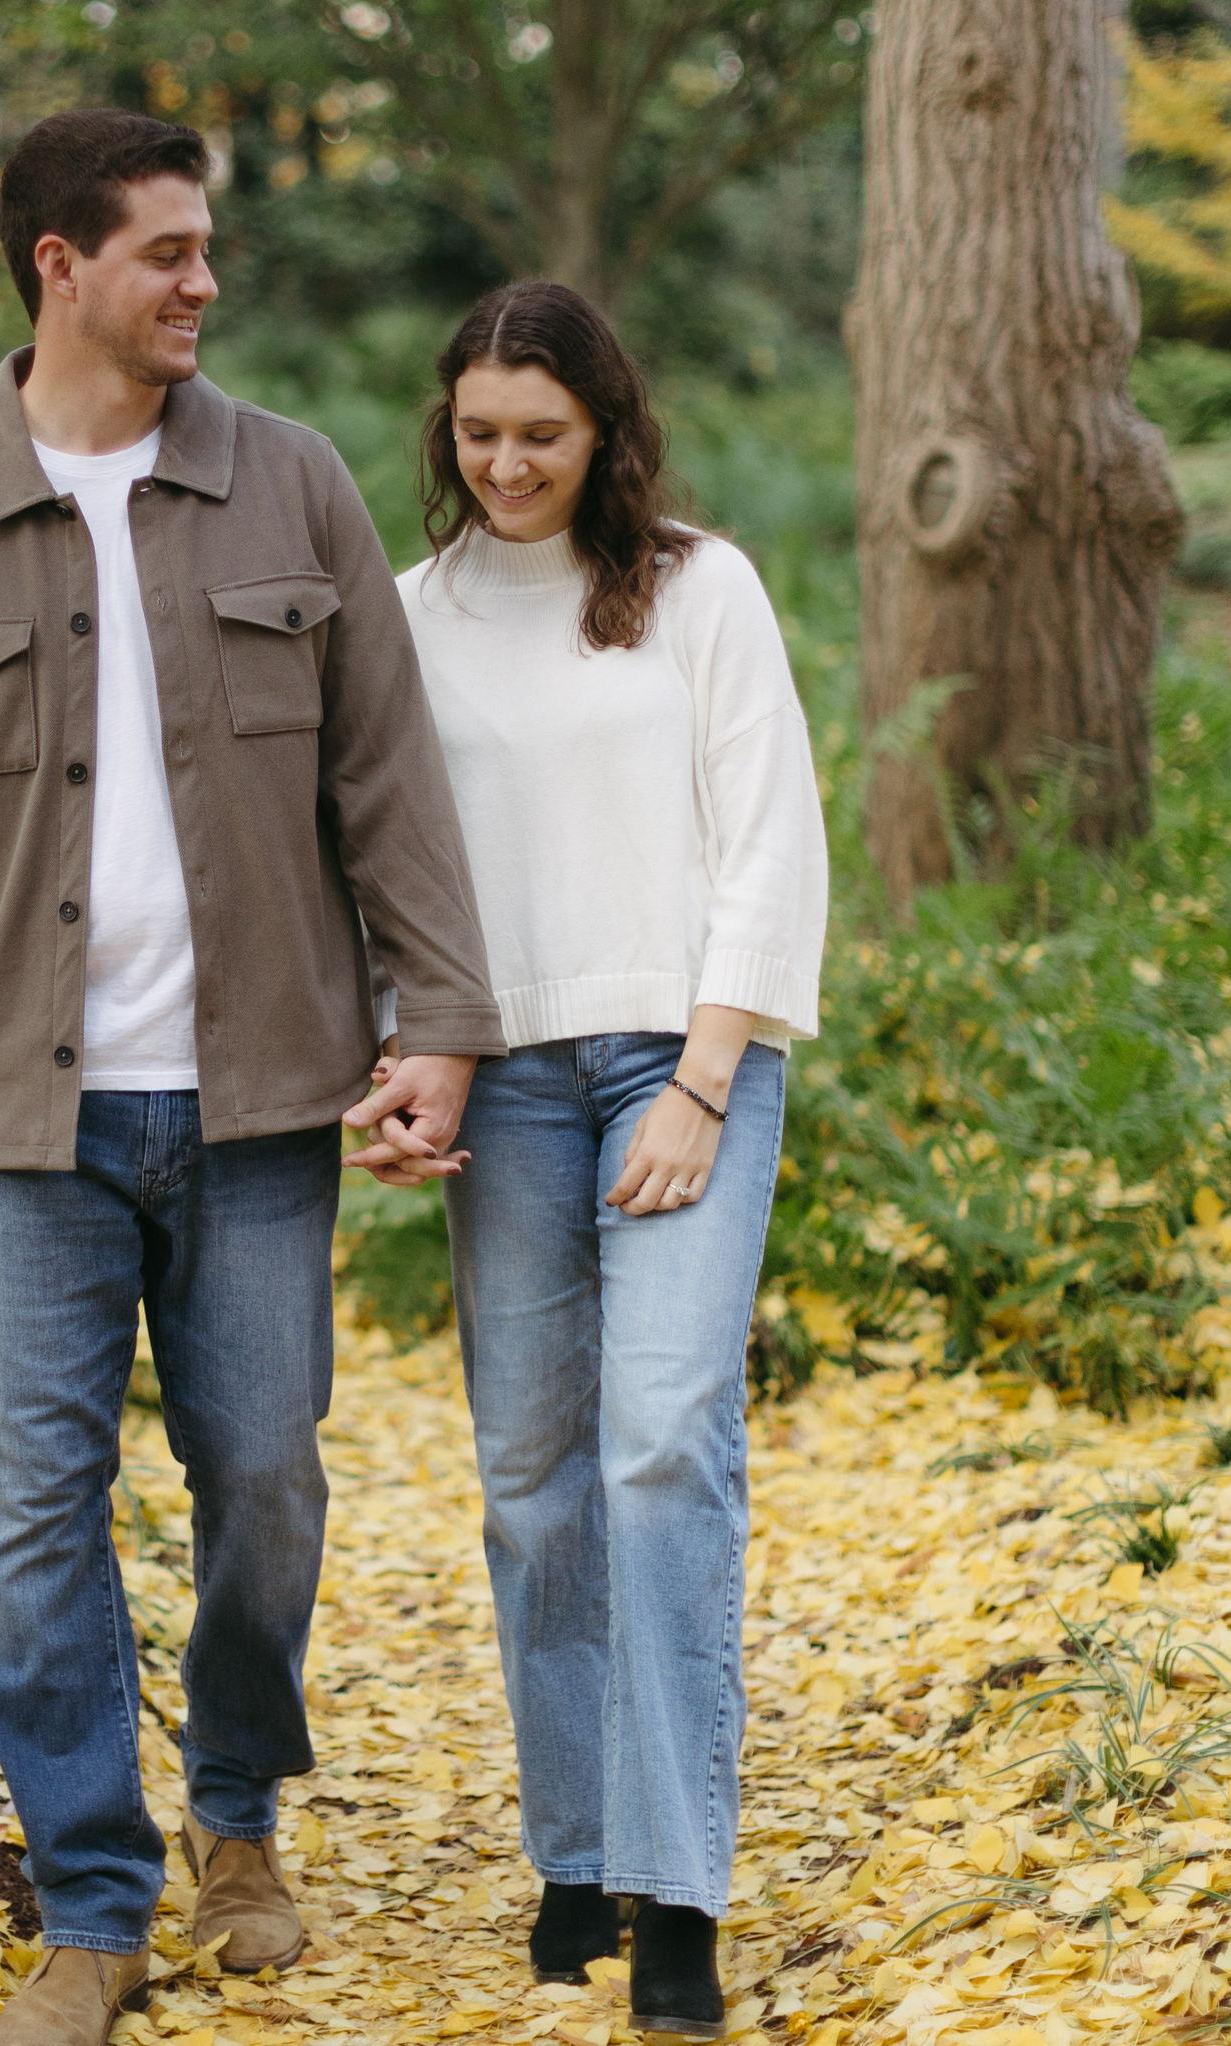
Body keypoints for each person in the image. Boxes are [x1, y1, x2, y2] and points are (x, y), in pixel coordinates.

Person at [0, 108, 504, 2046]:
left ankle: (237, 1809)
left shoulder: (291, 490)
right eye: (169, 252)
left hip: (259, 1100)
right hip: (20, 1120)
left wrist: (434, 1020)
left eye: (208, 251)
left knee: (264, 1483)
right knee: (38, 1516)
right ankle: (92, 1908)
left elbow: (389, 783)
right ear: (58, 266)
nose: (206, 283)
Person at [350, 280, 828, 2041]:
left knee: (659, 1448)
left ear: (606, 432)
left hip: (682, 1059)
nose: (505, 465)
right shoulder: (407, 617)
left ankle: (681, 1885)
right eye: (477, 434)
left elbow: (772, 836)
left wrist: (705, 1078)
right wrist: (410, 1059)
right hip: (505, 1078)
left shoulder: (702, 590)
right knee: (533, 1470)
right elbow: (387, 869)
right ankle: (578, 1849)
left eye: (540, 435)